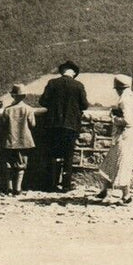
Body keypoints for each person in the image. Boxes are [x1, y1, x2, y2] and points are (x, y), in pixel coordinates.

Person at [38, 60, 89, 192]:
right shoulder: (78, 86)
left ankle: (51, 184)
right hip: (71, 126)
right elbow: (84, 105)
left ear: (62, 71)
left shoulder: (52, 83)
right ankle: (66, 185)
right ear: (74, 73)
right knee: (68, 155)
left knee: (53, 154)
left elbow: (43, 101)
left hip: (53, 125)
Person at [95, 76, 133, 204]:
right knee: (114, 162)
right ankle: (105, 190)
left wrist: (114, 118)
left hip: (125, 136)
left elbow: (127, 120)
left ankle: (124, 195)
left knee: (120, 163)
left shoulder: (123, 100)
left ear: (118, 89)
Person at [1, 83, 36, 195]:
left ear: (13, 96)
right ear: (24, 96)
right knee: (21, 164)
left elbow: (3, 124)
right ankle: (18, 188)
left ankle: (9, 187)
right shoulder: (28, 109)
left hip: (10, 140)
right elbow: (33, 124)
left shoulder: (7, 110)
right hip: (24, 140)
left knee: (9, 164)